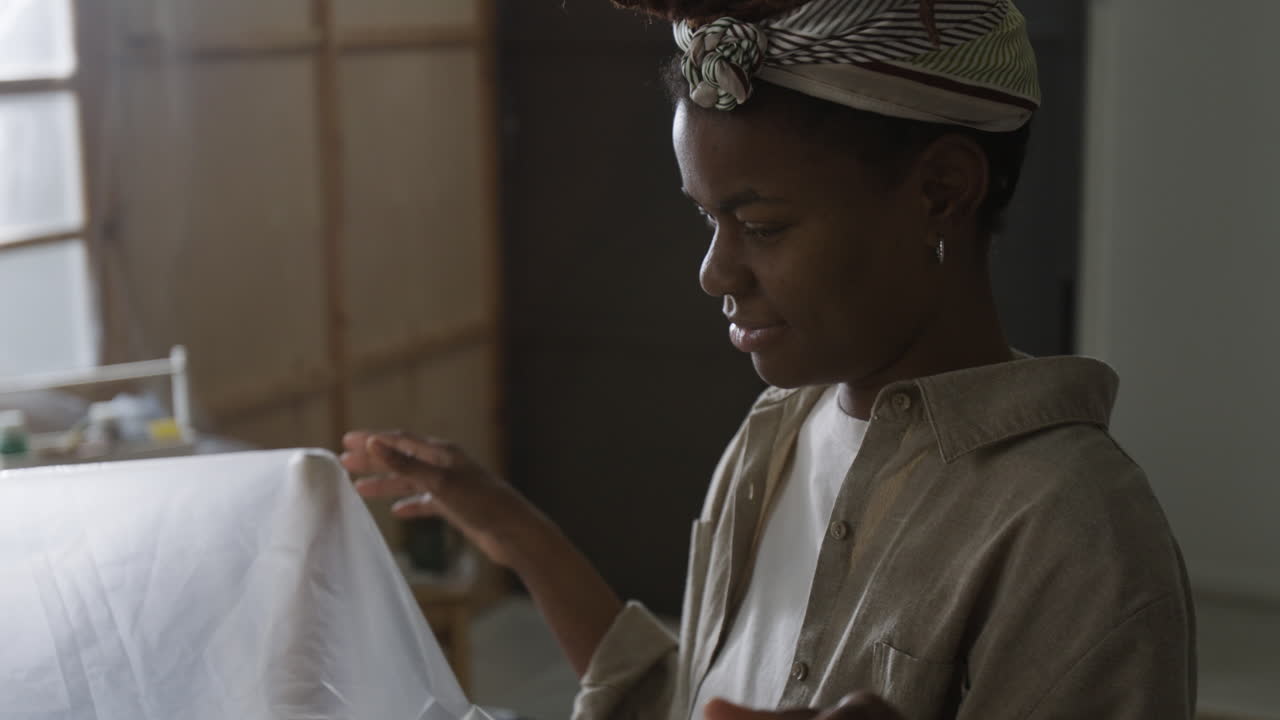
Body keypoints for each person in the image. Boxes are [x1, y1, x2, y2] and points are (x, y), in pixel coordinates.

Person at [341, 1, 1196, 718]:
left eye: (763, 226)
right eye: (706, 219)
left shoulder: (1074, 533)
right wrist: (507, 526)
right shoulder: (776, 438)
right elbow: (681, 699)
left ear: (942, 191)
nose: (715, 271)